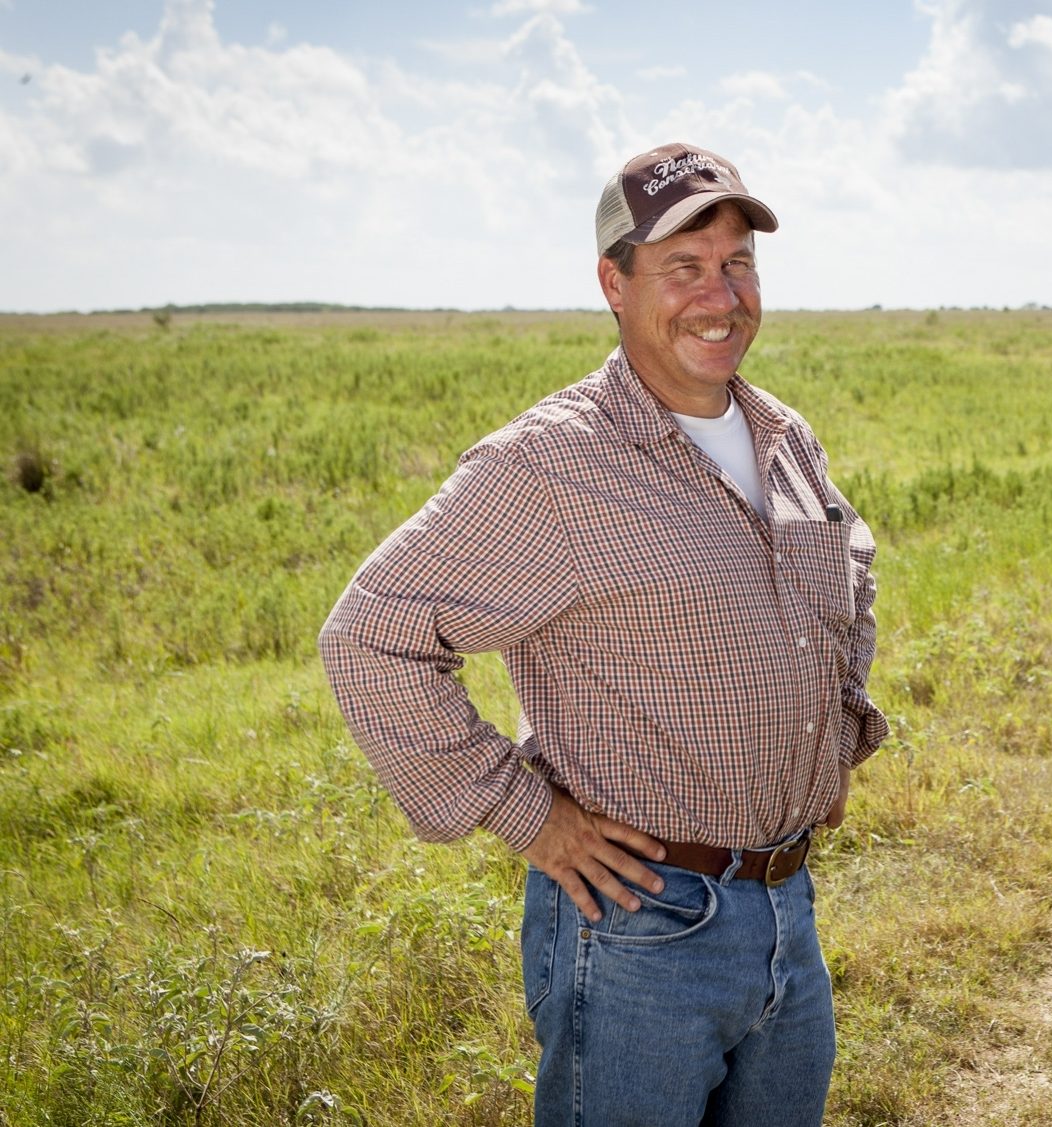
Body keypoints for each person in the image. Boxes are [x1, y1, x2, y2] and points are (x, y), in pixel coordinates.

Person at [318, 142, 887, 1126]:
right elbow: (373, 633)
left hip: (787, 907)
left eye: (736, 263)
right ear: (613, 283)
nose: (720, 295)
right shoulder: (549, 463)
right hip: (638, 930)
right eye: (683, 267)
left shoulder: (781, 433)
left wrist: (835, 737)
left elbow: (849, 564)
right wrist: (527, 814)